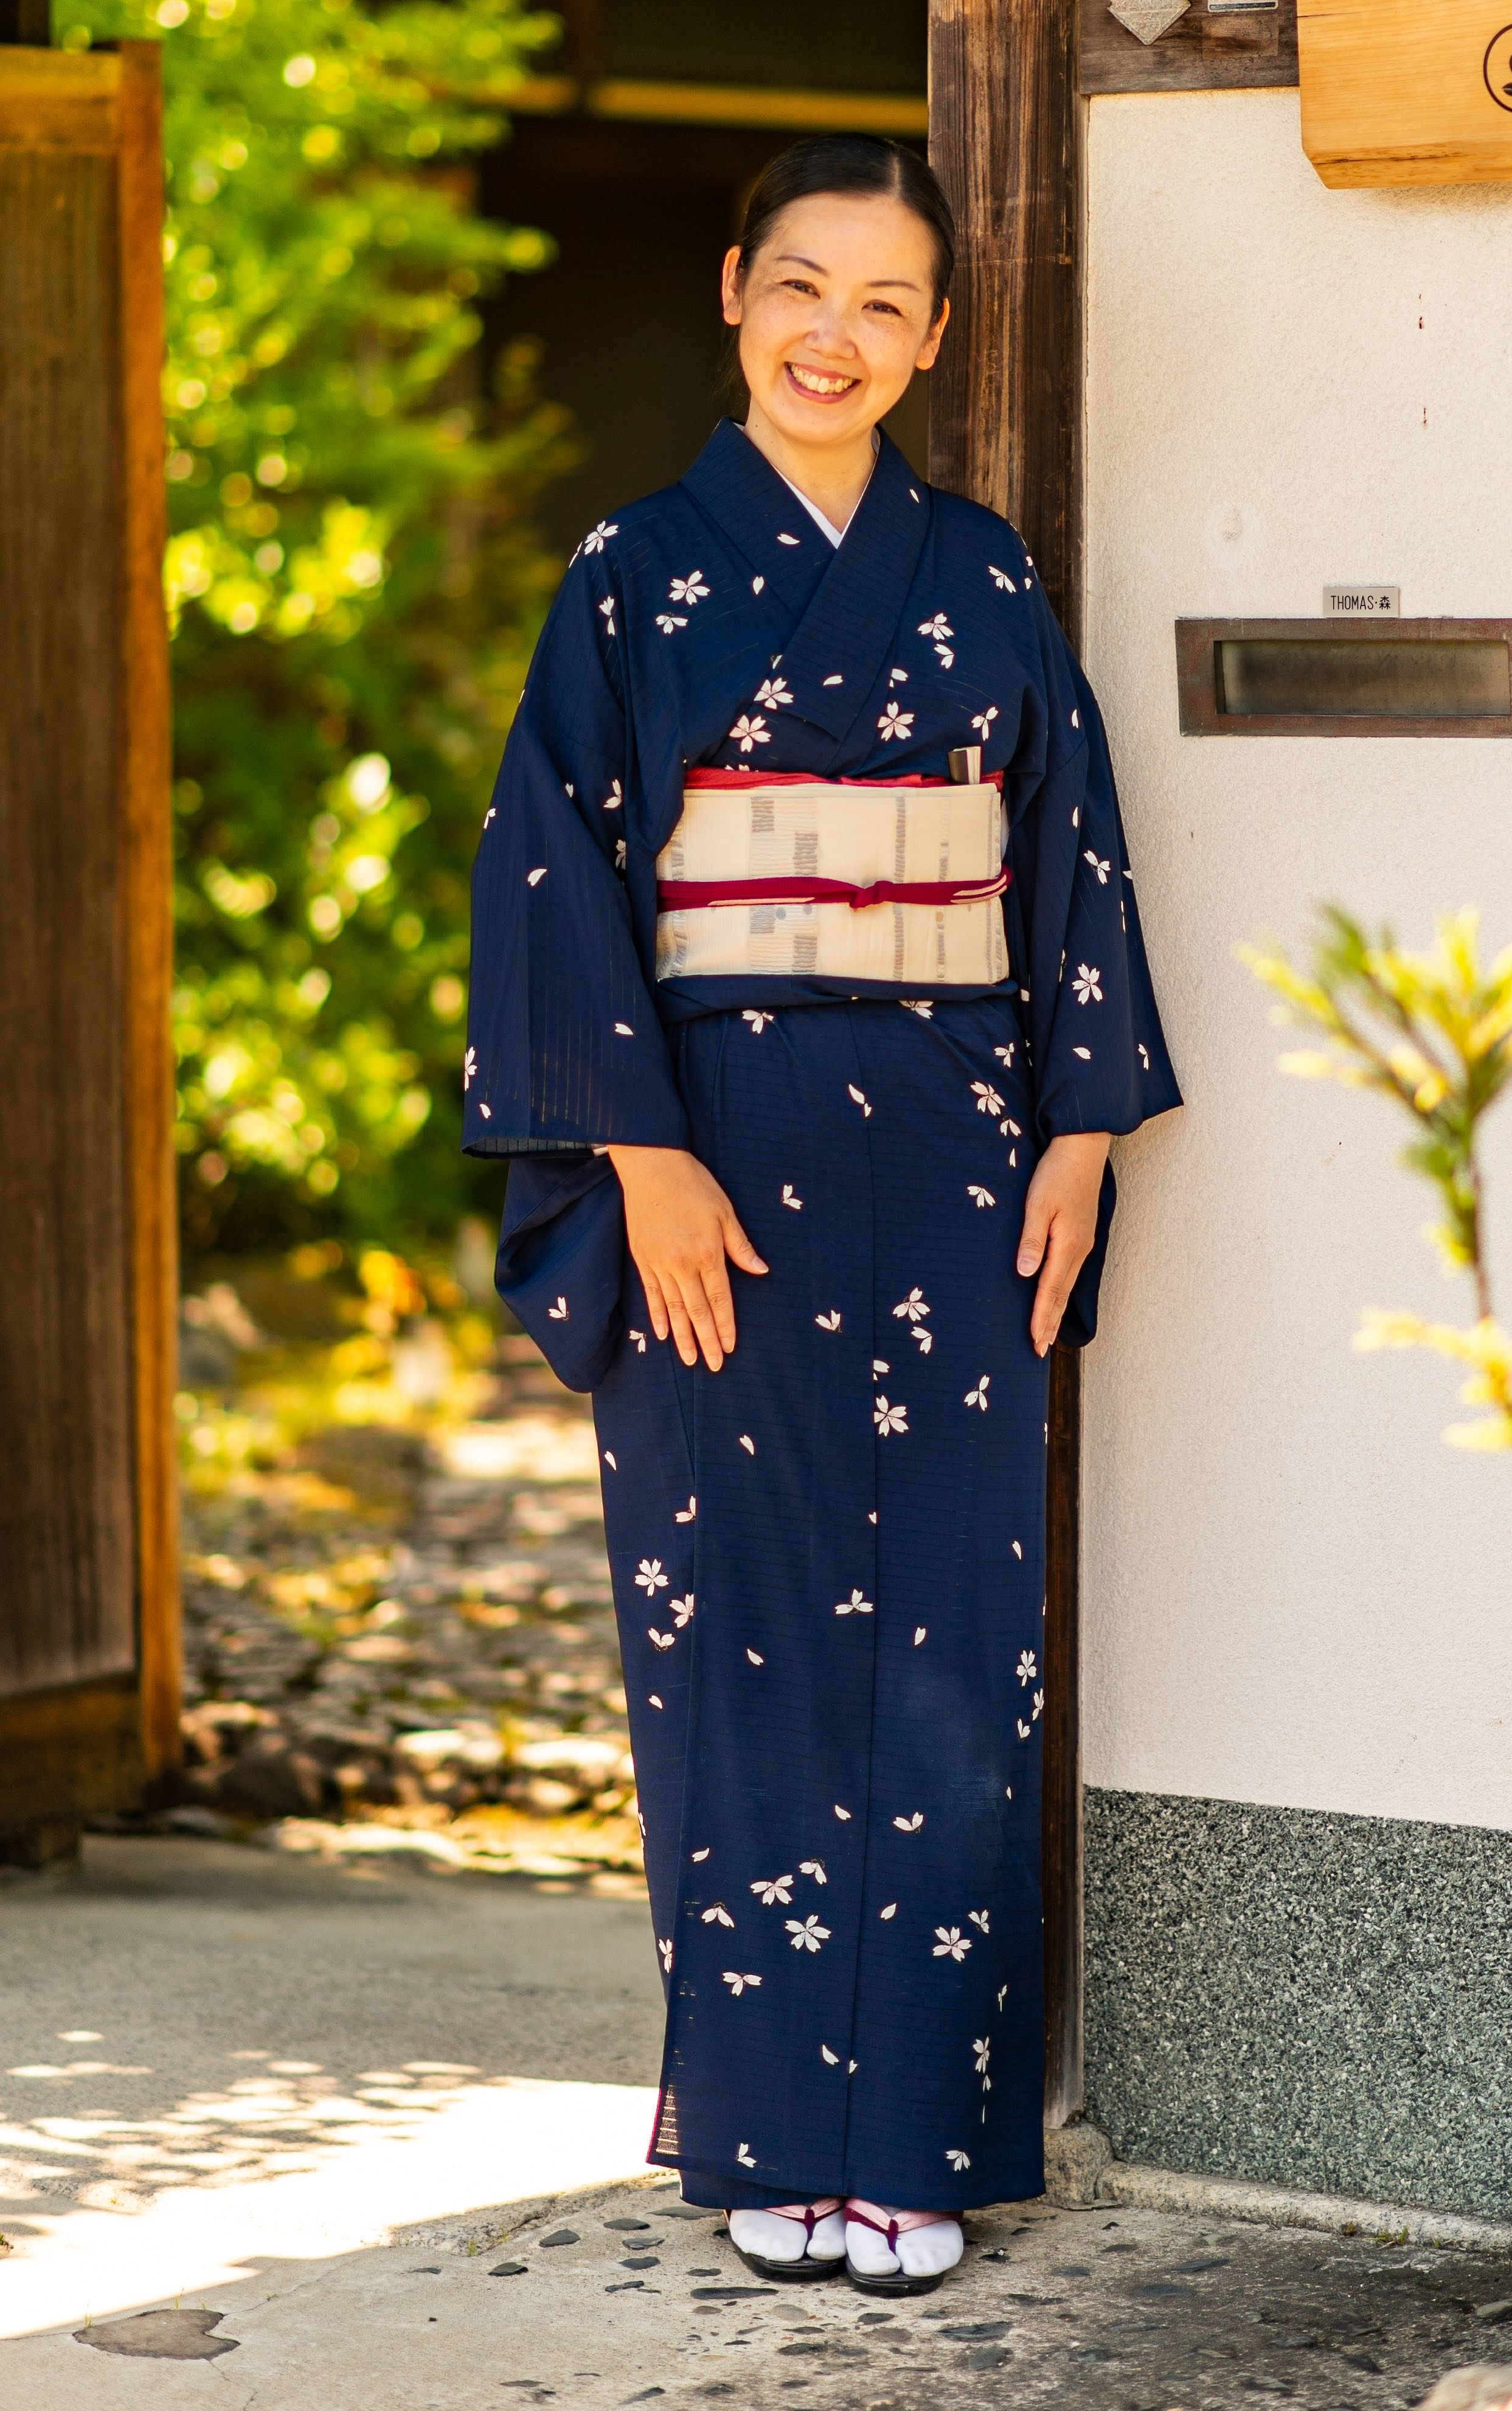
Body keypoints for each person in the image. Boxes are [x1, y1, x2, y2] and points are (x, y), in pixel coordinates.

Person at [464, 136, 1179, 2295]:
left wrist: (1080, 1127)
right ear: (730, 291)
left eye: (884, 304)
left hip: (955, 1157)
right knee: (742, 1641)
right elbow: (550, 877)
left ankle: (924, 2146)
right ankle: (773, 2128)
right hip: (719, 1164)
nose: (834, 336)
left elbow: (1067, 844)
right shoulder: (630, 575)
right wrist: (640, 1154)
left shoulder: (982, 577)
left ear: (936, 337)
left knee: (958, 1638)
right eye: (801, 287)